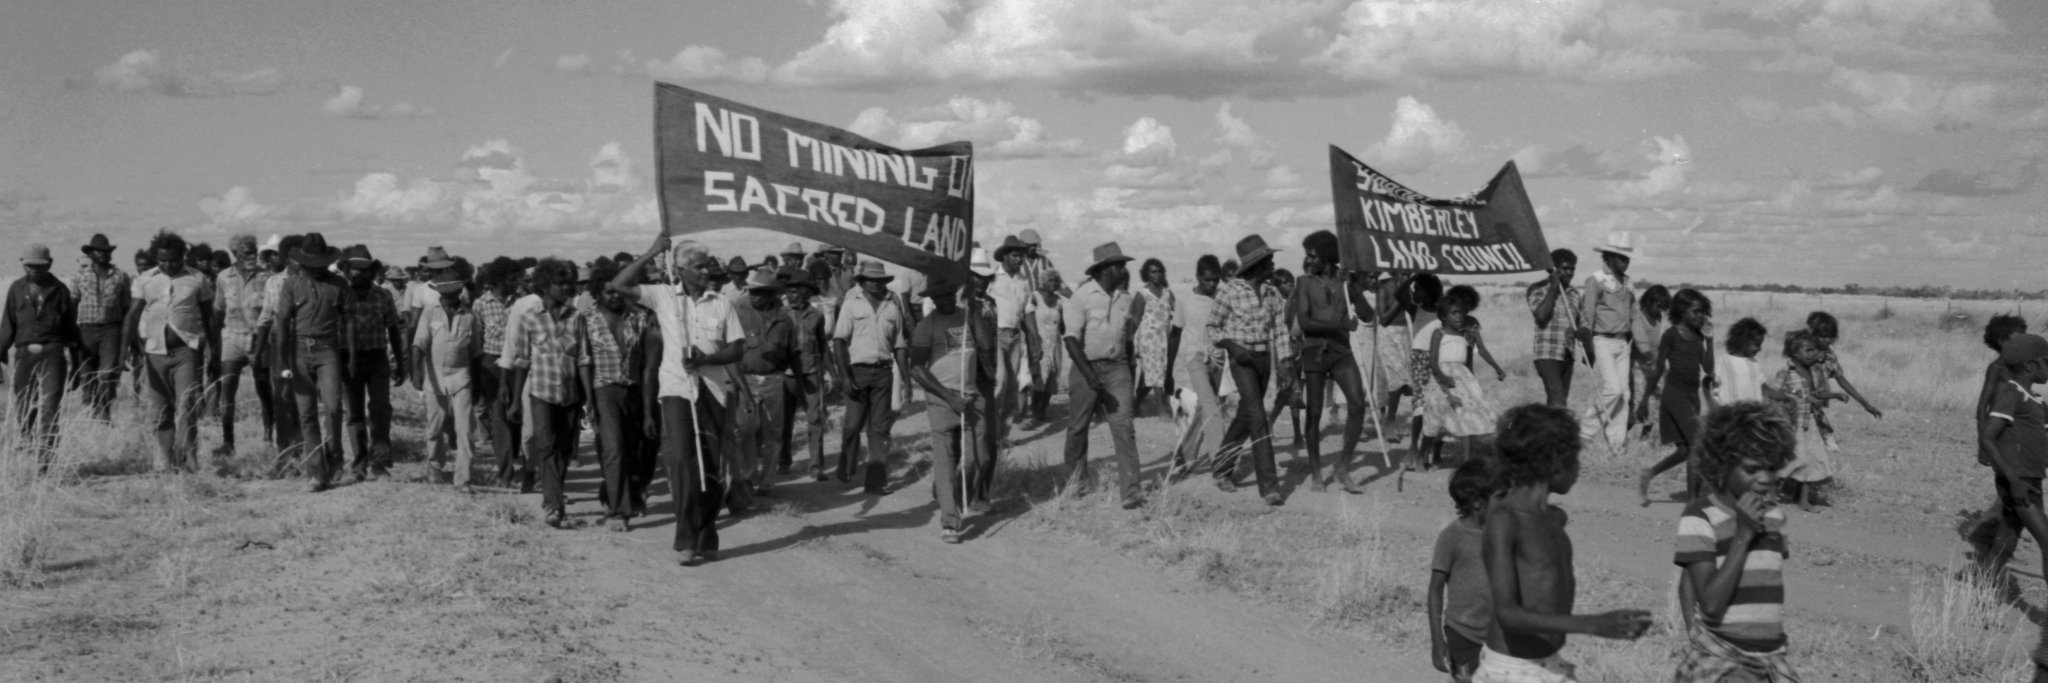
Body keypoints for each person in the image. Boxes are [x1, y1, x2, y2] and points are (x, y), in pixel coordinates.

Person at [1476, 404, 1653, 683]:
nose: (1579, 467)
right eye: (1575, 458)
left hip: (1547, 663)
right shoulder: (1505, 521)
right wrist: (1593, 624)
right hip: (1511, 670)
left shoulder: (1551, 517)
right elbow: (1508, 614)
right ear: (1554, 462)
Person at [612, 235, 747, 566]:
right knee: (685, 462)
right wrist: (653, 251)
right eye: (699, 267)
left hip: (714, 391)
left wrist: (706, 359)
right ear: (681, 269)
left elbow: (737, 348)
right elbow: (620, 284)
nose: (706, 272)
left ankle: (707, 535)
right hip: (677, 390)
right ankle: (686, 539)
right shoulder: (663, 296)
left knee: (711, 466)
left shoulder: (722, 303)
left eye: (707, 266)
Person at [1673, 402, 1800, 682]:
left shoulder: (1773, 517)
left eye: (1771, 468)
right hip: (1724, 655)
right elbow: (1710, 604)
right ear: (1722, 466)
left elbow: (1761, 587)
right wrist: (1743, 534)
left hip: (1770, 656)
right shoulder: (1700, 518)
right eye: (1752, 470)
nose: (1765, 479)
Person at [909, 276, 997, 543]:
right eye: (939, 297)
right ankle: (950, 521)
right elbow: (916, 368)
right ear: (933, 300)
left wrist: (973, 309)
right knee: (945, 460)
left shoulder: (968, 316)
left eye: (949, 295)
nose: (945, 300)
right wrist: (949, 397)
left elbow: (986, 346)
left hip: (972, 395)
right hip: (941, 399)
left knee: (979, 458)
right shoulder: (926, 326)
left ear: (956, 294)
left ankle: (953, 497)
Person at [1062, 242, 1149, 509]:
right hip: (1085, 368)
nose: (1123, 270)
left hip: (1117, 368)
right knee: (1078, 427)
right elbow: (1071, 339)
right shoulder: (1081, 297)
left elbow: (1128, 338)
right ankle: (1077, 482)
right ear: (1103, 269)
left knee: (1124, 426)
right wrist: (1088, 374)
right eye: (1119, 265)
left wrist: (1130, 371)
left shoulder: (1125, 298)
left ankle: (1131, 491)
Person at [505, 259, 587, 529]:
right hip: (541, 393)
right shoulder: (529, 318)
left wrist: (588, 398)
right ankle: (553, 504)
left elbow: (584, 359)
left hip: (571, 394)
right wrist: (515, 400)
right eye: (560, 283)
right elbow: (521, 361)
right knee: (546, 445)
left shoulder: (577, 318)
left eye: (568, 283)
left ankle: (553, 493)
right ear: (544, 285)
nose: (566, 288)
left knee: (564, 448)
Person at [128, 231, 216, 473]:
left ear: (182, 257)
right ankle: (166, 461)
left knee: (186, 405)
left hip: (185, 352)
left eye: (173, 260)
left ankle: (190, 460)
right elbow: (133, 314)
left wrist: (214, 351)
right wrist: (126, 346)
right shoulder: (145, 280)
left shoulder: (197, 279)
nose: (168, 265)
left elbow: (209, 317)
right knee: (160, 409)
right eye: (162, 260)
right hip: (154, 353)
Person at [1210, 235, 1285, 506]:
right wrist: (1232, 346)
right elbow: (1213, 327)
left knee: (1246, 414)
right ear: (1257, 264)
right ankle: (1270, 487)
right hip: (1241, 361)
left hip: (1264, 359)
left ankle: (1221, 467)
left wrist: (1286, 362)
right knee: (1258, 416)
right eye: (1269, 260)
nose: (1273, 264)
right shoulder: (1230, 291)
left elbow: (1280, 329)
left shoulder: (1272, 293)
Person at [270, 233, 348, 490]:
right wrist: (283, 360)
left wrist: (350, 356)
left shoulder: (339, 285)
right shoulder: (291, 285)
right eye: (311, 264)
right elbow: (283, 320)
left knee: (333, 408)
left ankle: (335, 458)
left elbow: (349, 321)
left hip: (329, 350)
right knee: (307, 413)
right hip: (300, 350)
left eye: (320, 264)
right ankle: (316, 471)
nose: (315, 268)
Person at [1290, 231, 1366, 494]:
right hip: (1314, 351)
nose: (1308, 260)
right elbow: (1305, 321)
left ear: (1328, 256)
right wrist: (1341, 325)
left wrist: (1352, 287)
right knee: (1314, 412)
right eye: (1307, 256)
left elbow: (1367, 315)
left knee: (1358, 404)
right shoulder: (1304, 282)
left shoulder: (1346, 282)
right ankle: (1315, 472)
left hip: (1341, 352)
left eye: (1313, 255)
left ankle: (1343, 467)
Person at [580, 260, 652, 529]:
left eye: (619, 291)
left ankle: (629, 493)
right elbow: (584, 361)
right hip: (604, 389)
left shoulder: (640, 317)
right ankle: (618, 511)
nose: (615, 296)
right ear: (597, 292)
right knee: (613, 449)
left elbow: (648, 361)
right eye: (608, 292)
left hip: (635, 389)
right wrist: (588, 399)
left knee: (635, 449)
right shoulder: (586, 319)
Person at [833, 261, 911, 494]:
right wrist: (845, 377)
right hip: (857, 372)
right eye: (869, 280)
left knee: (879, 429)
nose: (874, 284)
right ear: (862, 282)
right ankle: (847, 463)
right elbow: (839, 342)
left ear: (884, 282)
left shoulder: (892, 308)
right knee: (853, 424)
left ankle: (875, 481)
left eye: (879, 280)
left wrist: (907, 380)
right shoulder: (850, 305)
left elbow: (900, 346)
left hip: (883, 373)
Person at [1979, 333, 2048, 584]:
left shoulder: (2038, 402)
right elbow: (1988, 437)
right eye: (2047, 362)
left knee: (2006, 538)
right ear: (2031, 366)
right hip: (2018, 481)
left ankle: (1982, 590)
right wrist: (2013, 479)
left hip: (2030, 479)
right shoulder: (2012, 393)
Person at [2, 244, 78, 471]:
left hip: (53, 353)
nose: (34, 270)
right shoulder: (16, 289)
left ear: (50, 264)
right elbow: (8, 325)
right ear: (22, 264)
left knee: (50, 406)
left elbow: (71, 330)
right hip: (24, 354)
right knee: (25, 405)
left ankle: (45, 461)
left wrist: (76, 364)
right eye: (29, 266)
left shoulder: (60, 291)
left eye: (39, 266)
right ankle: (28, 451)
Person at [1639, 289, 1717, 505]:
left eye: (1703, 312)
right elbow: (1657, 369)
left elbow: (1708, 368)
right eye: (1696, 312)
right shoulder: (1671, 335)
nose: (1701, 316)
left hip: (1693, 397)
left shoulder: (1699, 336)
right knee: (1697, 443)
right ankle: (1692, 501)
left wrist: (1710, 341)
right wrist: (1644, 400)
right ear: (1682, 312)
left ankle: (1649, 473)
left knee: (1684, 451)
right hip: (1674, 395)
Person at [338, 246, 406, 481]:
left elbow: (394, 329)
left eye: (365, 269)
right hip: (348, 359)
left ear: (372, 271)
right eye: (355, 269)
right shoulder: (340, 294)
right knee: (354, 414)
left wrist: (400, 362)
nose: (360, 273)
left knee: (380, 410)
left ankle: (380, 463)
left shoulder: (383, 295)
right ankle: (359, 466)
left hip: (377, 357)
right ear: (347, 270)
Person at [1966, 315, 2027, 573]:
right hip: (1998, 435)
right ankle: (1994, 544)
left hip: (2017, 434)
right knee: (2013, 491)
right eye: (2017, 339)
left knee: (2011, 493)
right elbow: (1982, 406)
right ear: (2002, 341)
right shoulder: (1997, 368)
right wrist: (1983, 442)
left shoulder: (2023, 368)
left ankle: (1990, 538)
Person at [731, 269, 795, 511]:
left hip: (774, 379)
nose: (753, 296)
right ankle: (747, 478)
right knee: (745, 430)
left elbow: (792, 352)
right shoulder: (739, 312)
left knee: (773, 434)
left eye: (758, 292)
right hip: (745, 380)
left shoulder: (784, 319)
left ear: (770, 294)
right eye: (751, 292)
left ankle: (767, 483)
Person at [1430, 457, 1497, 682]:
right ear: (1478, 503)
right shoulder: (1452, 537)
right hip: (1463, 636)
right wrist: (1437, 640)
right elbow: (1435, 589)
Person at [413, 275, 481, 493]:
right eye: (445, 293)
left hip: (461, 376)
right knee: (435, 426)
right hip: (434, 376)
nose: (450, 297)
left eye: (454, 292)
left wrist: (477, 384)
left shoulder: (470, 316)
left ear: (459, 292)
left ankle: (463, 479)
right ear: (439, 293)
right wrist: (416, 372)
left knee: (465, 429)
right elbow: (419, 344)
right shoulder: (430, 313)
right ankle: (434, 466)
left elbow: (476, 353)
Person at [1422, 285, 1502, 470]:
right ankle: (1431, 453)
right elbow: (1434, 360)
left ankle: (1466, 461)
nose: (1460, 313)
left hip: (1464, 375)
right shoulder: (1441, 331)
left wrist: (1496, 367)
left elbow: (1480, 349)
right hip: (1446, 376)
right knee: (1443, 417)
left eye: (1464, 307)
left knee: (1466, 416)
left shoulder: (1470, 326)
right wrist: (1442, 377)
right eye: (1456, 309)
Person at [212, 234, 273, 460]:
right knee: (227, 388)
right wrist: (214, 345)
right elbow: (219, 310)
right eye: (247, 252)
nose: (252, 256)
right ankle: (227, 441)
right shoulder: (224, 277)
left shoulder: (267, 277)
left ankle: (269, 436)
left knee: (264, 388)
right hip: (233, 337)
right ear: (235, 254)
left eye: (254, 251)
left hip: (259, 339)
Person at [1577, 232, 1638, 456]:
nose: (1625, 262)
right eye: (1621, 257)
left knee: (1624, 394)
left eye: (1627, 258)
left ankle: (1616, 446)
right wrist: (1588, 347)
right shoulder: (1596, 280)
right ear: (1609, 257)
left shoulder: (1628, 283)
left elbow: (1633, 313)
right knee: (1612, 389)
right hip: (1602, 340)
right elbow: (1588, 314)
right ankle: (1585, 431)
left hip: (1622, 342)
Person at [1172, 255, 1229, 476]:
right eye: (1207, 280)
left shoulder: (1223, 298)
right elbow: (1175, 332)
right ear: (1197, 277)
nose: (1212, 284)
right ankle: (1220, 464)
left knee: (1204, 408)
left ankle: (1184, 455)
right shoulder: (1185, 300)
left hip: (1218, 358)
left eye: (1215, 280)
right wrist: (1168, 370)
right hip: (1194, 357)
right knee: (1211, 406)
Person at [1769, 332, 1835, 511]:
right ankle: (1772, 492)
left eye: (1814, 350)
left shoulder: (1810, 371)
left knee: (1811, 460)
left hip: (1809, 422)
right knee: (1795, 459)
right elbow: (1776, 396)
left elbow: (1808, 395)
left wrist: (1823, 398)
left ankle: (1803, 500)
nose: (1813, 354)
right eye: (1808, 350)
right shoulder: (1786, 372)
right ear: (1794, 352)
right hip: (1792, 423)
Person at [253, 235, 304, 463]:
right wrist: (258, 353)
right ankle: (284, 451)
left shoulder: (313, 281)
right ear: (285, 258)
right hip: (280, 343)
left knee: (303, 396)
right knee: (282, 396)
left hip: (306, 342)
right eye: (294, 256)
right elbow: (265, 318)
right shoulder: (273, 282)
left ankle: (303, 448)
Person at [1804, 311, 1883, 455]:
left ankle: (1827, 440)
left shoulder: (1830, 356)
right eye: (1823, 336)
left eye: (1830, 337)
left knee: (1817, 416)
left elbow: (1842, 380)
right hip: (1799, 397)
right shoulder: (1803, 350)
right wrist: (1816, 359)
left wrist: (1865, 404)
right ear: (1813, 334)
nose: (1827, 340)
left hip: (1817, 399)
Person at [70, 233, 130, 422]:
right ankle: (91, 411)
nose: (102, 254)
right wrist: (71, 333)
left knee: (107, 373)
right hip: (85, 330)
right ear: (90, 253)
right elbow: (73, 304)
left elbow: (127, 308)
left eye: (106, 251)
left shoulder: (120, 276)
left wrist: (128, 337)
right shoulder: (79, 276)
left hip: (111, 330)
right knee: (87, 374)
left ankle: (105, 413)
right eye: (98, 251)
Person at [781, 269, 832, 480]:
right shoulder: (782, 314)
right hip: (786, 375)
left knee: (815, 419)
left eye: (795, 291)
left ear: (806, 292)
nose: (790, 295)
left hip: (811, 373)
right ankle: (784, 461)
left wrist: (832, 373)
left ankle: (816, 466)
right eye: (789, 291)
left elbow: (822, 345)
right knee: (785, 421)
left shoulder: (816, 315)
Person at [473, 257, 521, 487]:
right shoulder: (481, 304)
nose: (515, 283)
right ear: (498, 280)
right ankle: (505, 471)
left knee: (518, 415)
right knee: (499, 416)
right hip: (492, 363)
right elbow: (477, 339)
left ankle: (516, 458)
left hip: (519, 364)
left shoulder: (521, 303)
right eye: (511, 279)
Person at [989, 236, 1038, 435]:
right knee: (999, 381)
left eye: (1021, 256)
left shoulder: (1023, 281)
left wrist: (1035, 339)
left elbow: (1028, 310)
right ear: (1004, 257)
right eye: (1015, 255)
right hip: (996, 336)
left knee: (1012, 386)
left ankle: (1002, 435)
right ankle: (990, 430)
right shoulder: (991, 278)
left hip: (1016, 337)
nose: (1020, 259)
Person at [1525, 250, 1580, 409]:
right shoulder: (1537, 289)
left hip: (1567, 353)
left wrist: (1586, 339)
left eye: (1572, 269)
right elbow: (1541, 316)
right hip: (1547, 353)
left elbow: (1581, 323)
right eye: (1565, 268)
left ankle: (1547, 425)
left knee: (1557, 403)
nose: (1569, 273)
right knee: (1558, 402)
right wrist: (1554, 287)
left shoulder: (1574, 293)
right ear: (1553, 269)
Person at [1407, 274, 1446, 468]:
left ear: (1429, 291)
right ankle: (1414, 447)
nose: (1414, 293)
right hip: (1419, 359)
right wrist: (1414, 276)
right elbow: (1399, 294)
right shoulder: (1416, 309)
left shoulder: (1442, 312)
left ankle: (1435, 449)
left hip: (1439, 358)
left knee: (1439, 404)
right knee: (1420, 405)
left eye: (1418, 289)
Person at [1132, 257, 1180, 415]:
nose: (1157, 275)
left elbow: (1178, 310)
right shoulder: (1142, 294)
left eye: (1159, 271)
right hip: (1148, 339)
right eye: (1153, 272)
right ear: (1146, 274)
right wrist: (1130, 342)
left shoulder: (1167, 293)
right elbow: (1135, 319)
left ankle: (1136, 404)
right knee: (1156, 371)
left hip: (1165, 338)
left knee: (1151, 373)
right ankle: (1160, 410)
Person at [1630, 285, 1672, 435]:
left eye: (1663, 307)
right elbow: (1640, 343)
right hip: (1639, 365)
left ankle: (1645, 437)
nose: (1660, 310)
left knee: (1657, 400)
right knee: (1640, 399)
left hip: (1657, 365)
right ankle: (1622, 435)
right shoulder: (1638, 317)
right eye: (1658, 306)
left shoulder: (1661, 318)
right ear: (1649, 301)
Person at [1029, 271, 1066, 423]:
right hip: (1041, 343)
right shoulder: (1035, 297)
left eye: (1056, 281)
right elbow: (1028, 319)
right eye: (1050, 280)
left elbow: (1062, 327)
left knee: (1052, 379)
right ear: (1043, 281)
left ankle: (1042, 411)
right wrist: (1034, 341)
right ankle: (1034, 411)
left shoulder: (1059, 301)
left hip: (1056, 344)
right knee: (1040, 379)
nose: (1053, 283)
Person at [1713, 318, 1768, 406]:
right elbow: (1713, 388)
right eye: (1757, 345)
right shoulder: (1722, 362)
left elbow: (1764, 389)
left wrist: (1786, 397)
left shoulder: (1754, 363)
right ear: (1744, 342)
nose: (1760, 349)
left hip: (1753, 412)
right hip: (1730, 412)